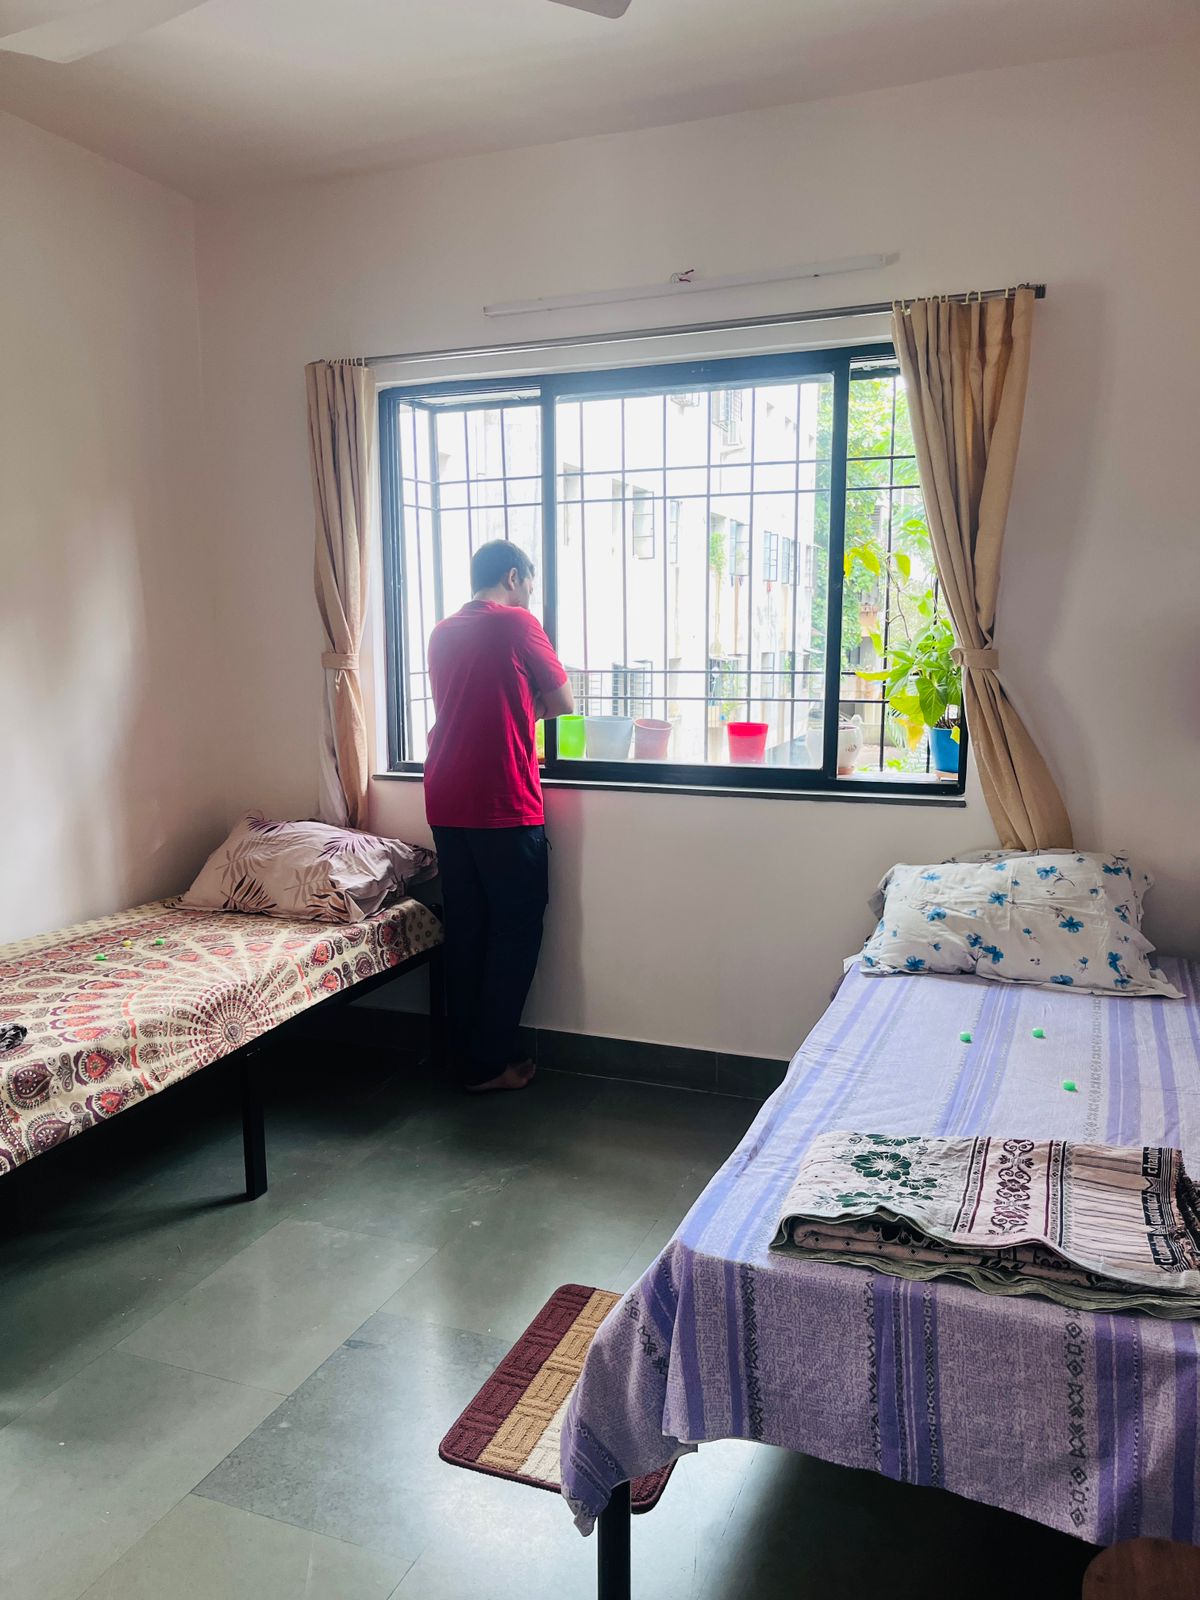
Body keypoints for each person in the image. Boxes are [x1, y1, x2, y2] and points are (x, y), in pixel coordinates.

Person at [424, 540, 574, 1092]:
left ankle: (466, 1058)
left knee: (466, 930)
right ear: (514, 577)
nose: (530, 594)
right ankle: (488, 1065)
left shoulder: (442, 632)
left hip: (445, 796)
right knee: (514, 931)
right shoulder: (516, 623)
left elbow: (466, 703)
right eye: (530, 583)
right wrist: (525, 703)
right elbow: (565, 702)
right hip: (502, 799)